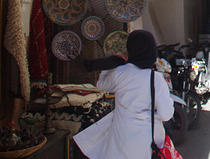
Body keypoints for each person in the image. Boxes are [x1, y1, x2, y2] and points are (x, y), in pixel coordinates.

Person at [74, 30, 174, 158]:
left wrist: (111, 64)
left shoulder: (120, 73)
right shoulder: (156, 79)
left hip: (119, 140)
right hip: (145, 142)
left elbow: (101, 85)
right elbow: (166, 115)